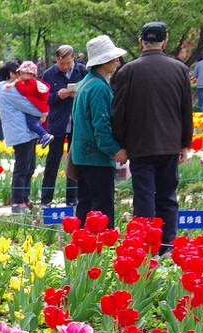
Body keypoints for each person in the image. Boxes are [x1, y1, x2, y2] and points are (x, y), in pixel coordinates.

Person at [112, 21, 194, 250]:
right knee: (168, 195)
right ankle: (168, 243)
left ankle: (146, 246)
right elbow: (186, 109)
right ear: (165, 40)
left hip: (140, 145)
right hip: (169, 144)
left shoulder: (128, 70)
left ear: (140, 42)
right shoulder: (179, 69)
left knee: (144, 195)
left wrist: (122, 144)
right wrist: (185, 143)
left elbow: (119, 112)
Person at [71, 35, 128, 227]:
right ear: (104, 61)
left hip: (82, 156)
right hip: (96, 157)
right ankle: (101, 250)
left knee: (85, 207)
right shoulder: (98, 87)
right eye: (114, 58)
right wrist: (115, 150)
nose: (117, 61)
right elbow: (101, 127)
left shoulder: (85, 84)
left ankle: (83, 250)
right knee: (101, 210)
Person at [39, 45, 88, 207]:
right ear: (56, 60)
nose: (65, 67)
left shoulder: (82, 72)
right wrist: (56, 96)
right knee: (52, 162)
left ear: (73, 58)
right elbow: (43, 99)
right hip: (57, 124)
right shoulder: (49, 74)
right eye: (61, 64)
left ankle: (72, 199)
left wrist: (77, 94)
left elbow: (89, 94)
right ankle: (46, 199)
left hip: (77, 124)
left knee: (74, 162)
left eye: (67, 63)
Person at [0, 66, 47, 213]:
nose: (29, 77)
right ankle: (17, 201)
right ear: (18, 73)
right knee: (21, 167)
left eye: (32, 74)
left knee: (30, 167)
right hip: (19, 131)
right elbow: (27, 106)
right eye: (26, 73)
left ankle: (25, 198)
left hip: (28, 131)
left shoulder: (23, 88)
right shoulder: (9, 89)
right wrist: (44, 111)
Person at [12, 61, 53, 146]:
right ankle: (41, 137)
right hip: (38, 106)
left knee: (31, 124)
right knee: (36, 123)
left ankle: (45, 135)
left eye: (23, 73)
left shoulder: (31, 83)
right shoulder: (34, 82)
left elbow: (25, 91)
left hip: (35, 107)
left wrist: (17, 83)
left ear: (30, 74)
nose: (21, 76)